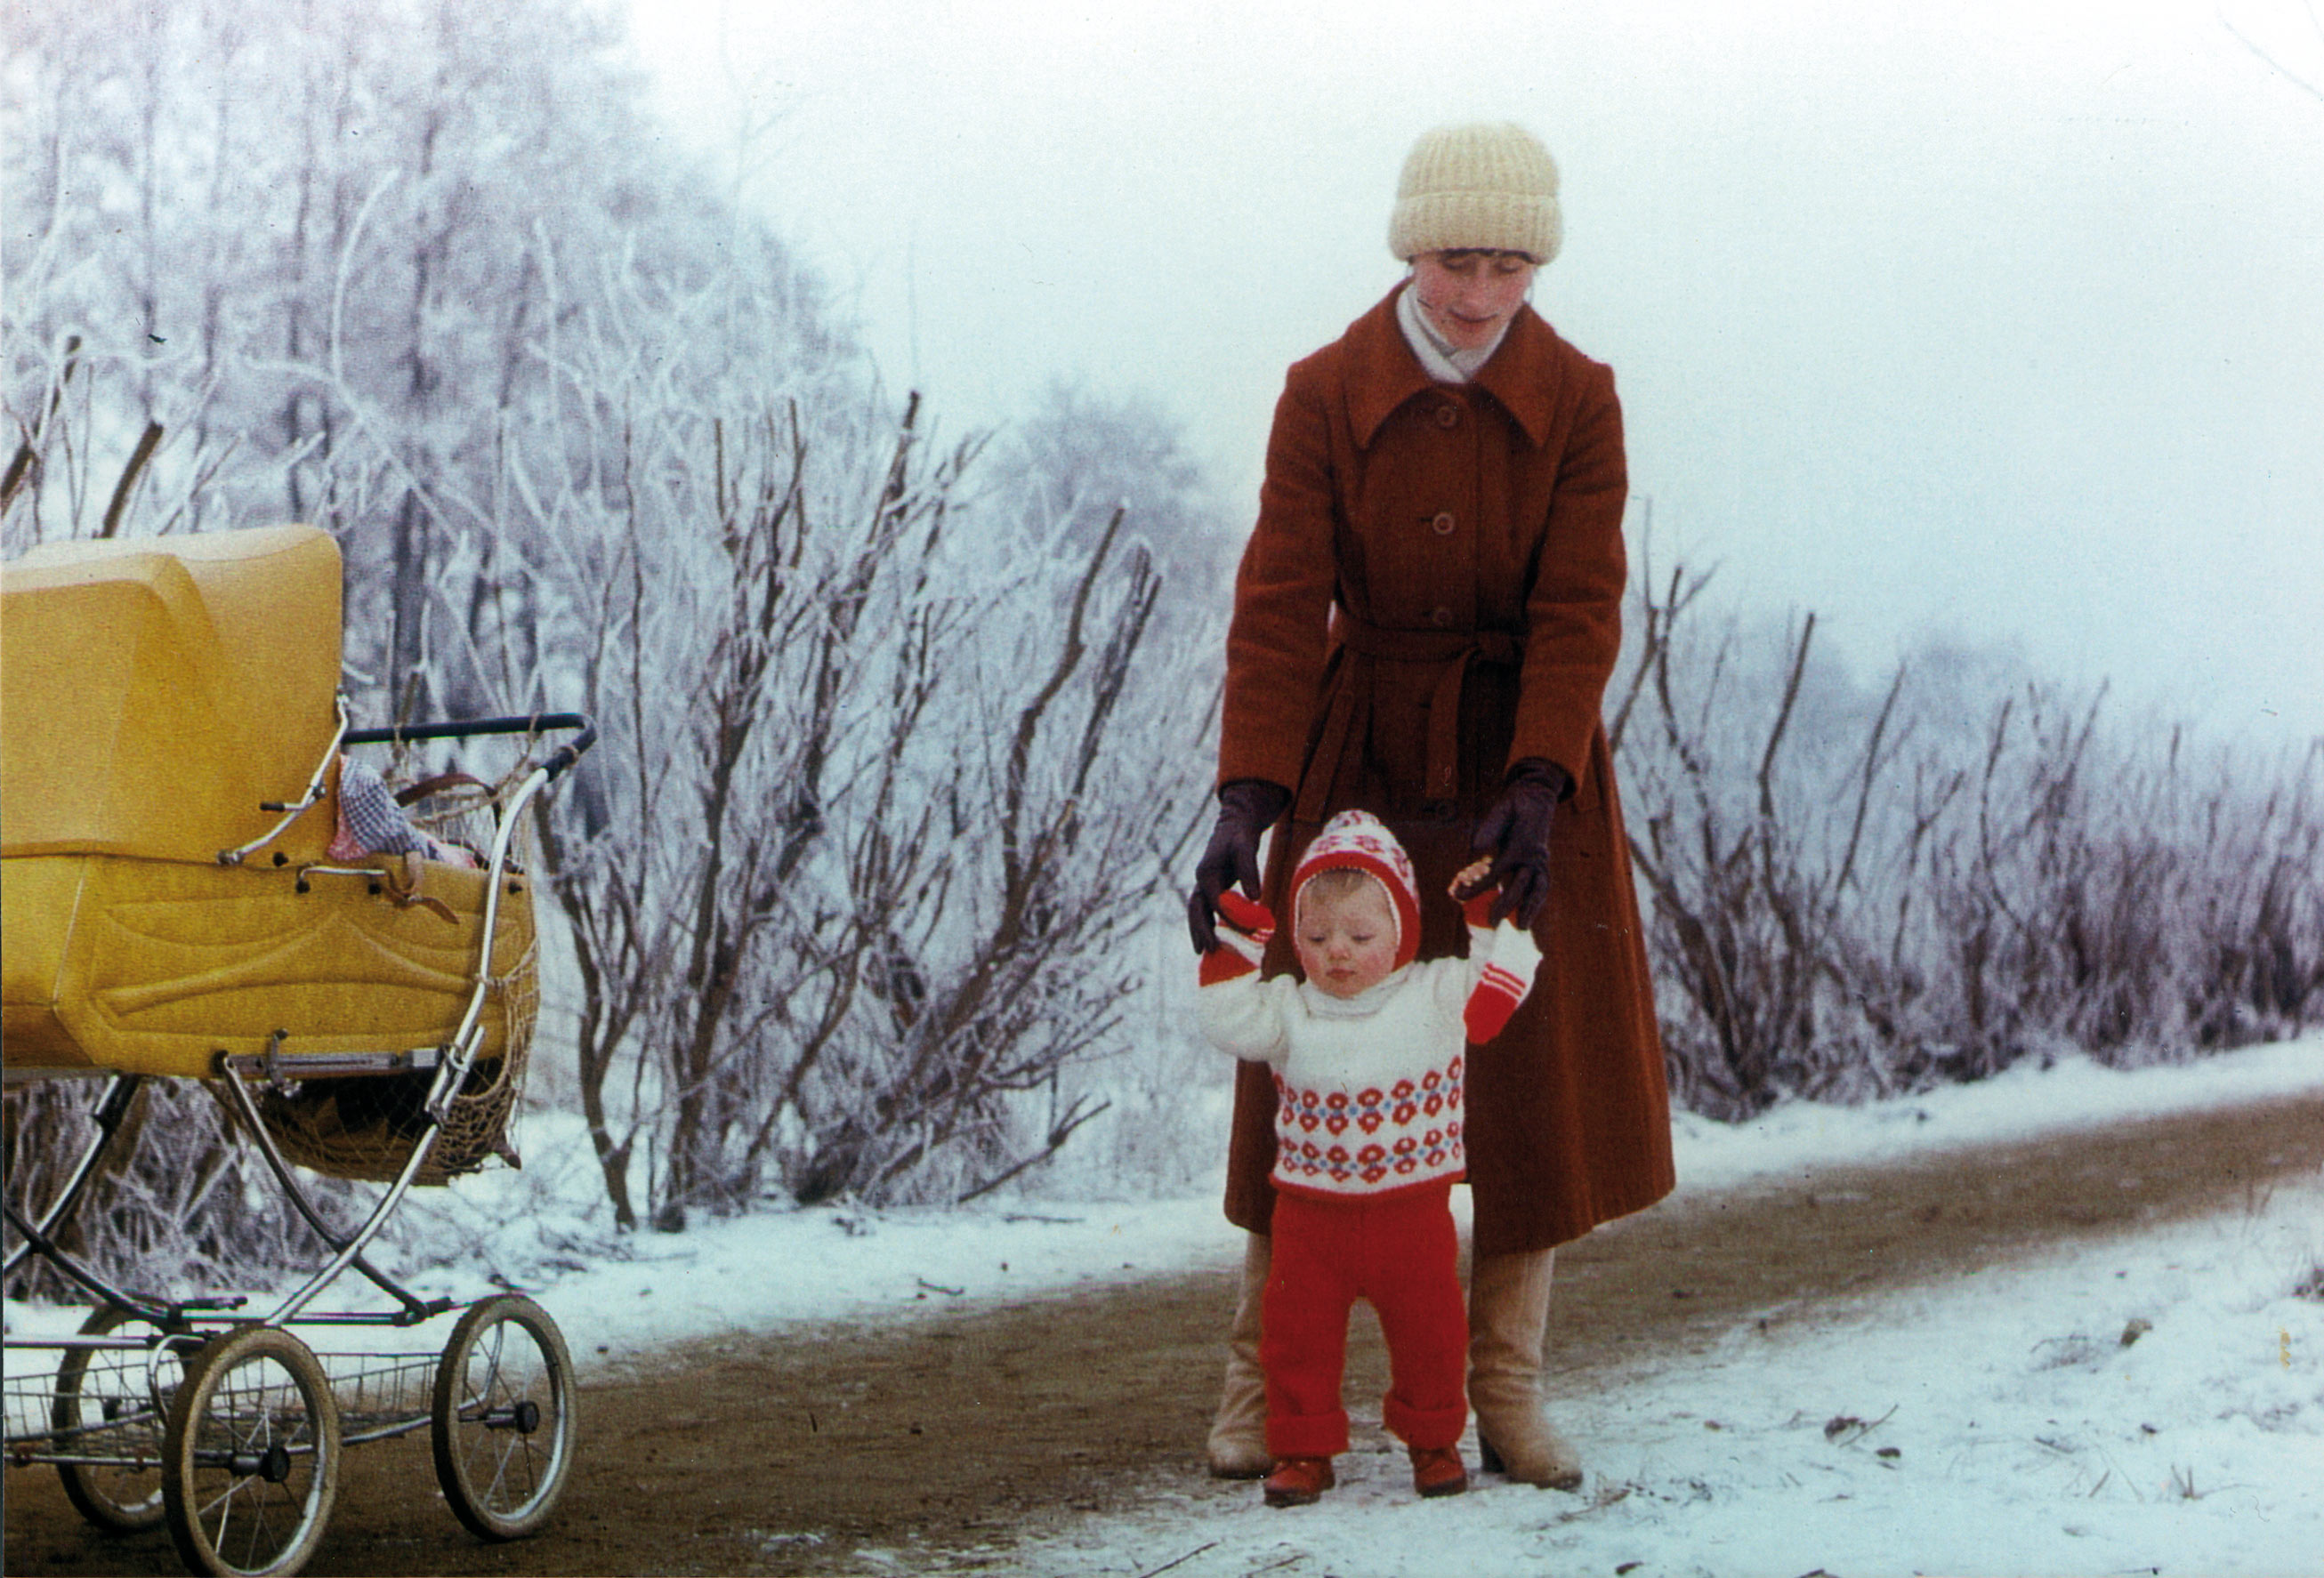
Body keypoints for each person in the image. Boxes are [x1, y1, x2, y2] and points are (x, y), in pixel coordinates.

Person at [1187, 121, 1675, 1491]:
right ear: (1413, 246)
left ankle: (1505, 1388)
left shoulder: (1580, 398)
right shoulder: (1322, 391)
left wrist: (1542, 774)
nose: (1480, 294)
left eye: (1512, 265)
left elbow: (1583, 598)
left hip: (1527, 756)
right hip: (1364, 757)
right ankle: (1257, 1382)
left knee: (1521, 1075)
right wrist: (1249, 790)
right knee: (1313, 1047)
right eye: (1460, 260)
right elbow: (1281, 595)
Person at [1196, 810, 1543, 1507]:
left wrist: (1484, 916)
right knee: (1295, 1338)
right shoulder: (1291, 1006)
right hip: (1308, 1219)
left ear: (1402, 930)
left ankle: (1434, 1440)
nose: (1338, 954)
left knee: (1432, 1336)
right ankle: (1301, 1450)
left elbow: (1500, 990)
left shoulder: (1435, 993)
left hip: (1411, 1216)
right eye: (1317, 937)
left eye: (1361, 935)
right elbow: (1225, 1020)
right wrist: (1237, 940)